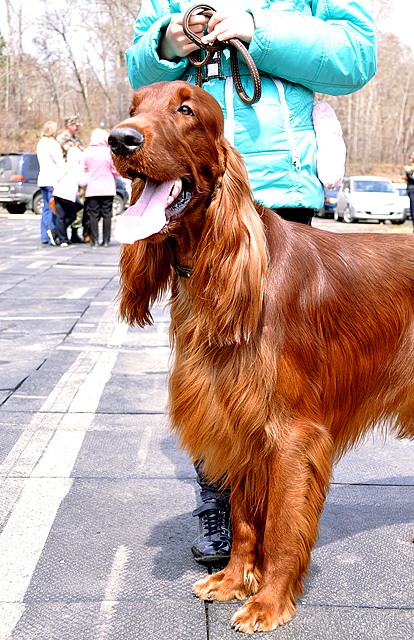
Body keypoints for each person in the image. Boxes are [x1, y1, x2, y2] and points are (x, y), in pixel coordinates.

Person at [125, 0, 377, 564]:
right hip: (185, 187)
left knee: (287, 412)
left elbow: (357, 56)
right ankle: (228, 521)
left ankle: (279, 554)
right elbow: (141, 71)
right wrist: (171, 38)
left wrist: (261, 32)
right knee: (217, 390)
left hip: (276, 192)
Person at [81, 129, 118, 247]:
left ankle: (95, 241)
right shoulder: (109, 152)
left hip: (93, 188)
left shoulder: (87, 152)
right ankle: (106, 241)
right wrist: (112, 176)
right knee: (107, 215)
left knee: (93, 215)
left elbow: (83, 169)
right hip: (108, 188)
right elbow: (115, 170)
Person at [47, 146, 88, 247]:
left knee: (60, 217)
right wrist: (88, 175)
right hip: (68, 195)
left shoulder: (63, 165)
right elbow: (82, 182)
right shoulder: (78, 167)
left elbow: (55, 179)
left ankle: (62, 239)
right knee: (72, 216)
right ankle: (56, 233)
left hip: (58, 193)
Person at [57, 115, 87, 243]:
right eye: (75, 125)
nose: (77, 128)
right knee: (64, 212)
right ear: (69, 125)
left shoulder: (76, 139)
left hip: (77, 176)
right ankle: (61, 234)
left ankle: (75, 233)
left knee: (78, 208)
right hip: (67, 178)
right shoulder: (60, 139)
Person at [36, 121, 65, 245]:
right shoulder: (52, 144)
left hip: (42, 179)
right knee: (53, 209)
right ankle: (51, 235)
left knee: (46, 209)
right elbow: (60, 163)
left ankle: (44, 236)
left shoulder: (40, 143)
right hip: (52, 180)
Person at [404, 152, 414, 230]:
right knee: (412, 211)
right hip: (411, 190)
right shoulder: (410, 167)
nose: (410, 158)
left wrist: (408, 174)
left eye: (412, 157)